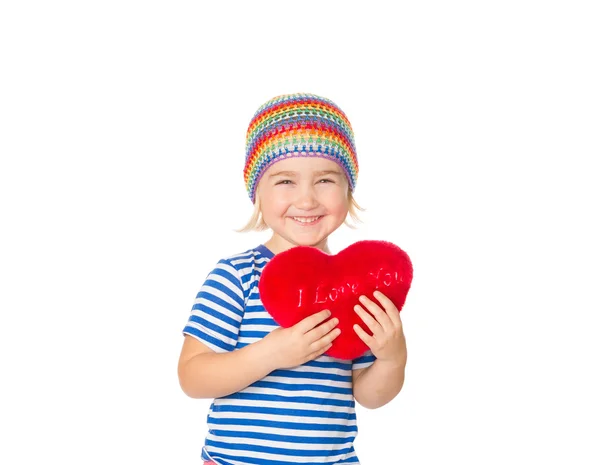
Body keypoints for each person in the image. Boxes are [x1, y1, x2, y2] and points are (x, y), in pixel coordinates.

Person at [178, 93, 408, 465]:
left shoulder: (358, 287)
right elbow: (192, 376)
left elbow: (368, 395)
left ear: (349, 188)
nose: (306, 199)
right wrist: (269, 354)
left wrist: (392, 360)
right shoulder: (237, 276)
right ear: (257, 191)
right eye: (285, 180)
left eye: (325, 180)